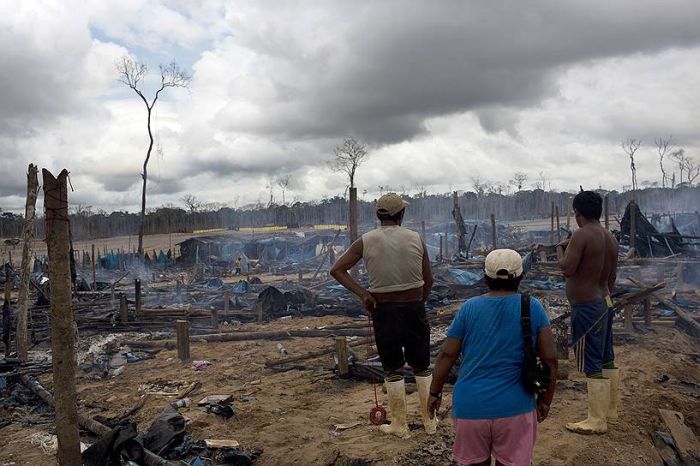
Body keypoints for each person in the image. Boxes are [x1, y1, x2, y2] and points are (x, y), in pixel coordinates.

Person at [428, 249, 557, 466]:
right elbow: (551, 360)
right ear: (521, 276)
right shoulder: (532, 307)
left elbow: (447, 355)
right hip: (516, 408)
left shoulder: (469, 308)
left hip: (470, 407)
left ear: (486, 278)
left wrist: (434, 392)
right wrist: (546, 400)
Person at [330, 193, 435, 437]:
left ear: (378, 216)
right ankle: (430, 422)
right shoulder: (416, 239)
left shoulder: (365, 241)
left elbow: (337, 270)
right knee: (422, 366)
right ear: (402, 214)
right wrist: (418, 301)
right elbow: (428, 280)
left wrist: (363, 294)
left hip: (384, 311)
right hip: (414, 308)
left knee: (393, 368)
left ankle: (400, 425)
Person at [557, 190, 619, 434]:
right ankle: (610, 411)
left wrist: (560, 250)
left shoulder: (582, 235)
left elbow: (567, 269)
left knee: (591, 359)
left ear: (577, 212)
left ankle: (596, 420)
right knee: (606, 356)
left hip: (587, 308)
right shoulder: (609, 237)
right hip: (605, 302)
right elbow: (612, 278)